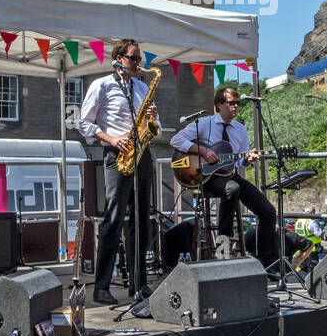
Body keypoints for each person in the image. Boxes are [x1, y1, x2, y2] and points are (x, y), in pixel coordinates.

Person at [169, 83, 281, 281]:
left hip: (229, 175)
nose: (235, 107)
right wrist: (203, 151)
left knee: (268, 212)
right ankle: (223, 246)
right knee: (233, 189)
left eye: (237, 103)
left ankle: (268, 263)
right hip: (206, 177)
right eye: (231, 103)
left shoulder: (240, 129)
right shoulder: (204, 123)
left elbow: (239, 162)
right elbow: (176, 141)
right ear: (219, 105)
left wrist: (247, 160)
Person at [80, 39, 160, 304]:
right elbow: (84, 123)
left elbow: (153, 124)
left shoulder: (140, 86)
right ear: (119, 59)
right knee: (113, 220)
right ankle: (101, 287)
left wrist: (152, 117)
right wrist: (112, 140)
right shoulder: (101, 85)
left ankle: (139, 283)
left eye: (140, 59)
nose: (139, 64)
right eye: (134, 58)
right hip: (117, 154)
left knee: (141, 220)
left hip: (142, 153)